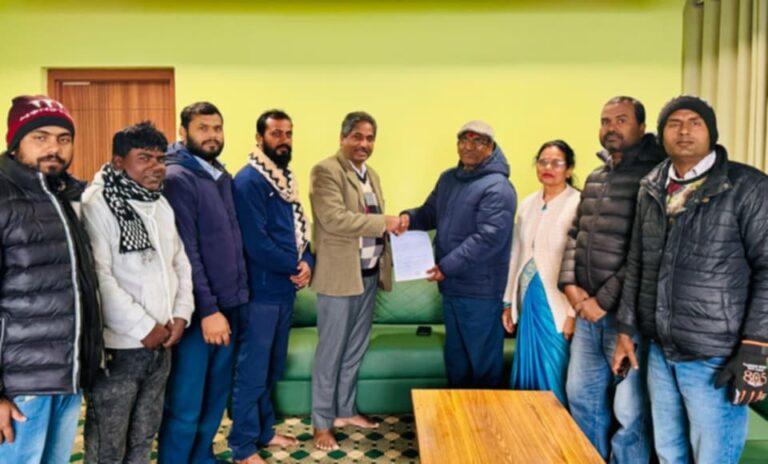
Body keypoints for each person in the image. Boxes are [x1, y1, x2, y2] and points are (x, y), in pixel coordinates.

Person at [612, 96, 768, 463]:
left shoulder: (747, 186)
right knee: (668, 452)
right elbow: (637, 261)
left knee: (712, 456)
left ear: (711, 132)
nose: (684, 131)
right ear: (661, 134)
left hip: (716, 353)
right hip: (659, 349)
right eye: (674, 123)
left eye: (695, 122)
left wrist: (756, 346)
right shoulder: (651, 185)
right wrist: (625, 330)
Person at [82, 121, 194, 463]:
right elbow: (98, 278)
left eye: (160, 158)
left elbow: (180, 263)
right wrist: (143, 327)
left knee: (144, 434)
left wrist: (181, 314)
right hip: (119, 348)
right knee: (108, 443)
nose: (156, 167)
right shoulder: (96, 203)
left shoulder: (159, 204)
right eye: (144, 158)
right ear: (119, 162)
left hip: (163, 342)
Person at [558, 96, 661, 462]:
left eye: (621, 120)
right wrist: (571, 287)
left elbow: (646, 249)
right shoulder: (596, 177)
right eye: (605, 121)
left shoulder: (655, 177)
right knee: (581, 396)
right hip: (587, 315)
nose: (611, 127)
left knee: (631, 412)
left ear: (642, 127)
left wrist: (602, 301)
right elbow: (576, 234)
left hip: (627, 319)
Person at [0, 95, 103, 463]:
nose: (53, 149)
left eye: (63, 139)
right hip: (20, 386)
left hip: (66, 376)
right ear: (16, 143)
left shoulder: (64, 195)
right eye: (40, 137)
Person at [158, 102, 249, 464]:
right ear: (183, 132)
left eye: (217, 128)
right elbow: (186, 253)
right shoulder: (177, 178)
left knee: (213, 399)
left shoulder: (219, 174)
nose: (212, 135)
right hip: (199, 314)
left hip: (229, 306)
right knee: (186, 403)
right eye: (203, 128)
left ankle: (201, 458)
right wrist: (209, 310)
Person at [309, 111, 402, 451]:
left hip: (369, 276)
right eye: (357, 137)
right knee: (330, 353)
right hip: (339, 278)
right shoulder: (325, 171)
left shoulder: (371, 175)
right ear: (343, 138)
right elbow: (334, 219)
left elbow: (371, 221)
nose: (364, 144)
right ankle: (321, 423)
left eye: (369, 138)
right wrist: (384, 223)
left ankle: (345, 411)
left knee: (354, 349)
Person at [401, 120, 516, 389]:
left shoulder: (498, 187)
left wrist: (446, 267)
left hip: (481, 292)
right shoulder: (448, 179)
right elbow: (429, 213)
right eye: (464, 140)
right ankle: (459, 415)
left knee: (482, 367)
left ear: (491, 147)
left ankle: (485, 417)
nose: (469, 147)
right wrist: (407, 218)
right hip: (451, 288)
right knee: (458, 364)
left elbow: (488, 238)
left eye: (478, 142)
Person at [229, 110, 314, 464]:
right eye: (276, 133)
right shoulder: (249, 181)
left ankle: (264, 432)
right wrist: (295, 265)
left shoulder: (285, 179)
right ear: (259, 138)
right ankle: (243, 446)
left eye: (288, 134)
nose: (284, 140)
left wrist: (308, 262)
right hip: (260, 294)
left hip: (284, 291)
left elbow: (298, 234)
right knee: (252, 372)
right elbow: (256, 243)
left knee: (271, 368)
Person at [502, 140, 580, 406]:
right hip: (528, 298)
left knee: (555, 369)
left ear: (569, 169)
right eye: (543, 161)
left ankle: (556, 429)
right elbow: (516, 253)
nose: (548, 168)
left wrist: (572, 315)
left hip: (558, 304)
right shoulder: (527, 204)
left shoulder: (579, 203)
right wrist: (508, 302)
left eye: (556, 163)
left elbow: (581, 262)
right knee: (528, 370)